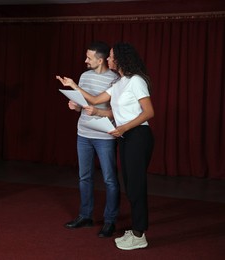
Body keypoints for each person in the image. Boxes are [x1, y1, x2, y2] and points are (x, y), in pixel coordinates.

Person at [57, 42, 154, 250]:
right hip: (125, 135)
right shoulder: (119, 83)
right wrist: (73, 85)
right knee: (131, 185)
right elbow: (93, 100)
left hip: (137, 135)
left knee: (135, 186)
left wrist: (123, 128)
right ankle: (136, 230)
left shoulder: (135, 81)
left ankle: (139, 234)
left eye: (111, 56)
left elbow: (148, 112)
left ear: (118, 59)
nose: (109, 59)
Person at [60, 42, 120, 238]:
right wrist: (75, 106)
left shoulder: (115, 80)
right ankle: (85, 215)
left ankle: (110, 221)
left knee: (109, 179)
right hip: (83, 134)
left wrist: (98, 111)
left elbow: (117, 112)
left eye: (89, 58)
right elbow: (82, 104)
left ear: (100, 60)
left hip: (104, 136)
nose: (85, 60)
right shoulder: (84, 76)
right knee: (84, 177)